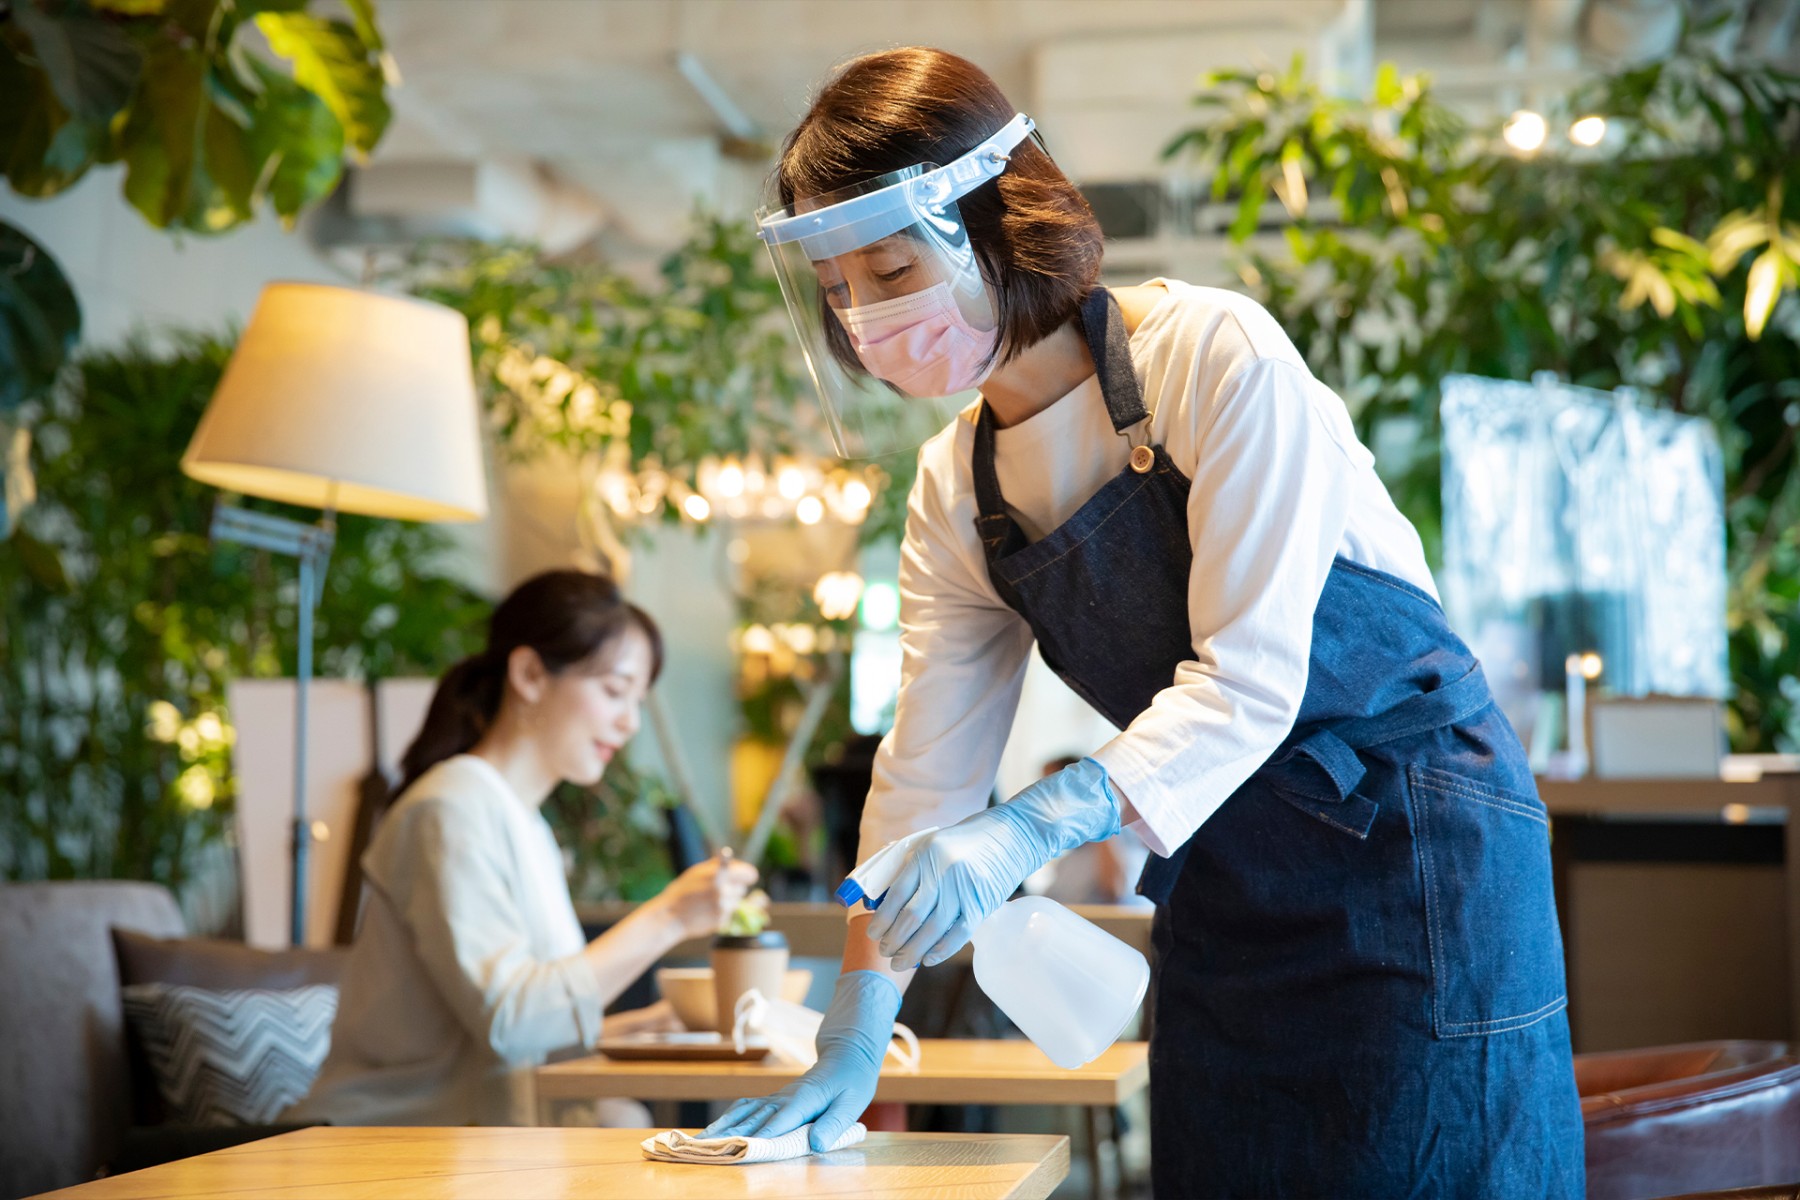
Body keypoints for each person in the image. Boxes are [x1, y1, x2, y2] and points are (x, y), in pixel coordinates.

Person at [705, 47, 1583, 1197]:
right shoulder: (953, 490)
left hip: (1417, 855)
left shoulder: (1213, 356)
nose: (869, 316)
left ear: (995, 220)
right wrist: (857, 1025)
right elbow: (925, 779)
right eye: (837, 289)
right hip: (1227, 877)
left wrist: (1030, 828)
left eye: (892, 268)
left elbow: (1247, 682)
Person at [287, 569, 756, 1127]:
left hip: (465, 1138)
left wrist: (638, 1028)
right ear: (530, 674)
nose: (630, 723)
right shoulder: (450, 809)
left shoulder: (524, 824)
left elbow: (508, 1036)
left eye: (637, 701)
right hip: (386, 1145)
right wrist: (671, 916)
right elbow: (511, 1023)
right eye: (614, 692)